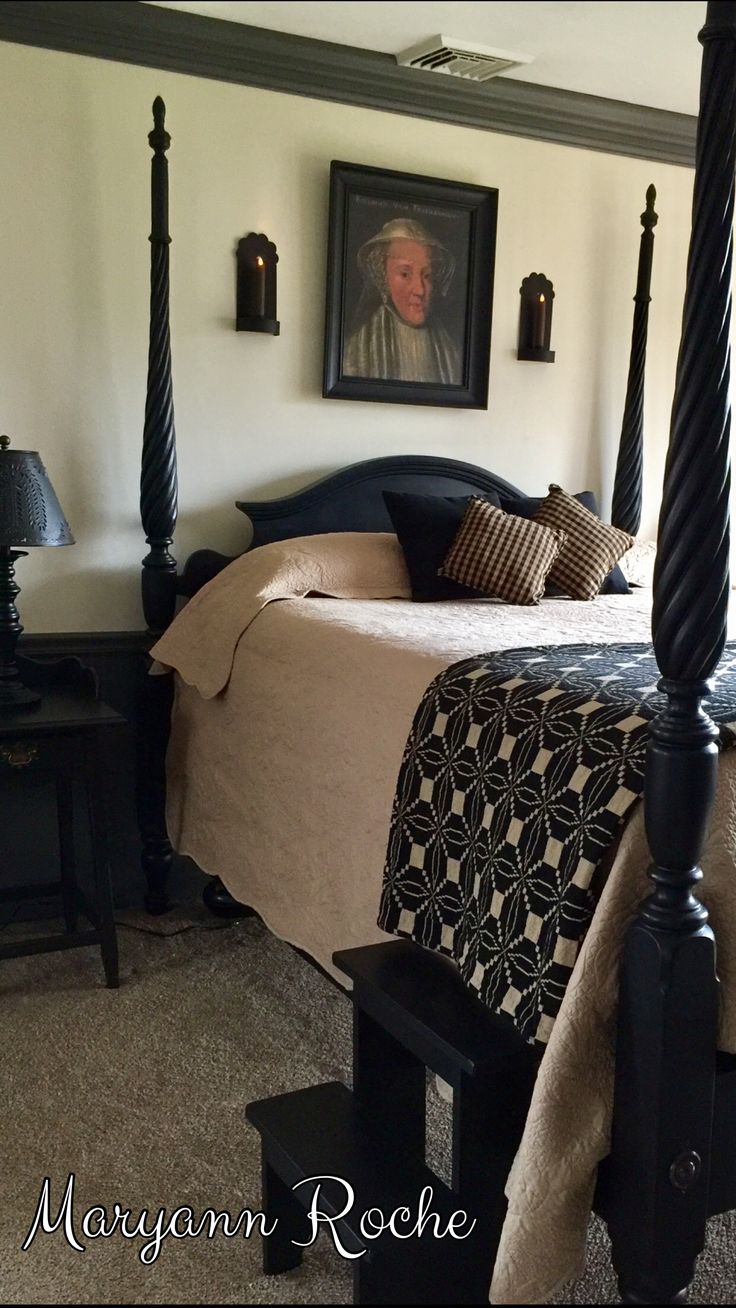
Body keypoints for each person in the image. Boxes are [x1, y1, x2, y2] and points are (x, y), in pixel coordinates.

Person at [343, 217, 462, 385]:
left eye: (427, 275)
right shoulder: (358, 348)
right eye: (405, 274)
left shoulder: (450, 350)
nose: (420, 290)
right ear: (383, 277)